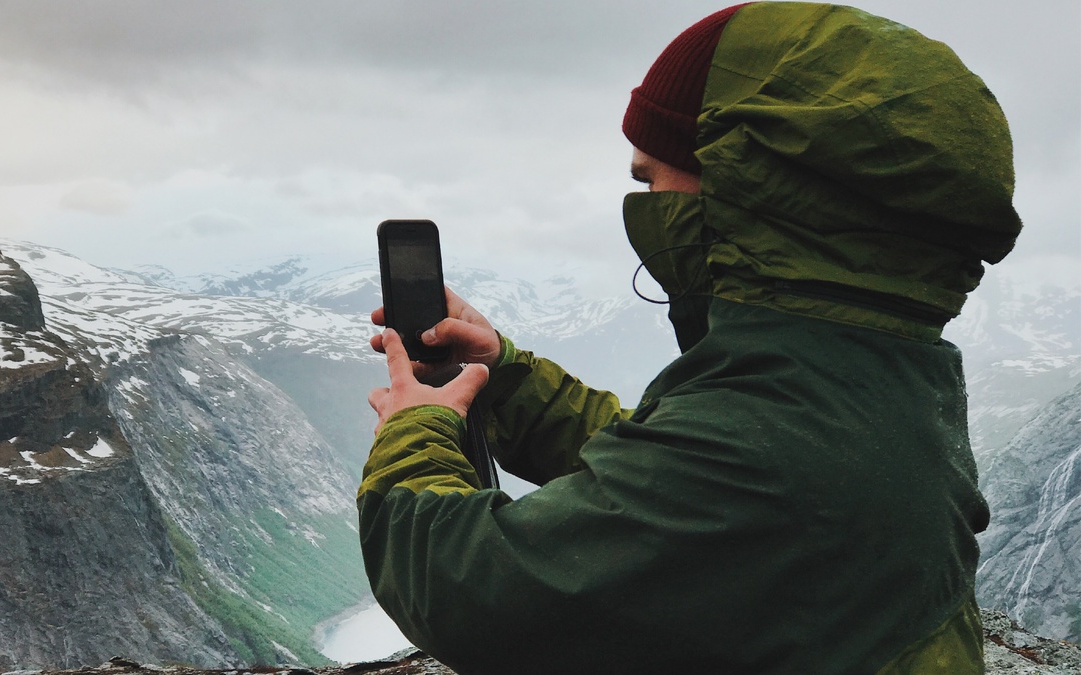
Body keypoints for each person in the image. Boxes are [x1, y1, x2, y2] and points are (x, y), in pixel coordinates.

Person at [360, 3, 1022, 673]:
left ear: (743, 184)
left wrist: (414, 430)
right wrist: (505, 375)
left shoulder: (762, 441)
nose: (642, 203)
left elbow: (470, 589)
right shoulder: (870, 372)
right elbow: (677, 481)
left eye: (650, 178)